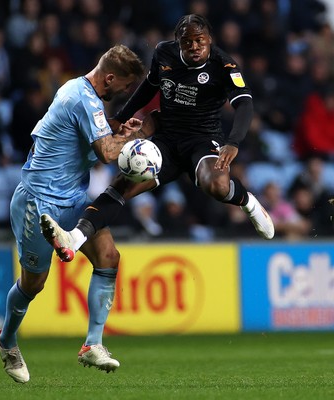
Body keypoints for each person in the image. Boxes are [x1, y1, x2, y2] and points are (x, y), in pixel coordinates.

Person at [40, 14, 275, 264]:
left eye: (200, 41)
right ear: (178, 42)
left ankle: (248, 201)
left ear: (210, 40)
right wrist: (121, 116)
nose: (194, 46)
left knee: (216, 186)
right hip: (166, 139)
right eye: (188, 41)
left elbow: (245, 105)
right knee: (122, 186)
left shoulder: (224, 65)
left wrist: (234, 141)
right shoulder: (164, 53)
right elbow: (149, 86)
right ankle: (73, 239)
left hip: (203, 140)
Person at [0, 44, 152, 384]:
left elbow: (96, 137)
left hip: (74, 199)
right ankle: (6, 340)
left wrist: (120, 132)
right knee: (33, 283)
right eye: (124, 87)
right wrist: (135, 138)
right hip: (39, 202)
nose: (125, 93)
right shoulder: (83, 99)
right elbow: (108, 154)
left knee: (109, 257)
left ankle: (92, 344)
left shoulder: (82, 94)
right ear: (109, 78)